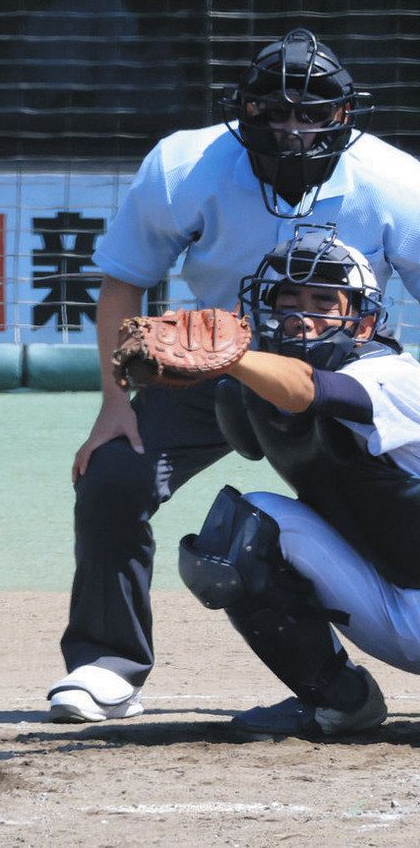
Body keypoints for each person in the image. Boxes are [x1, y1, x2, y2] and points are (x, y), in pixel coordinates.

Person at [48, 28, 420, 723]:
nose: (293, 130)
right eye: (275, 112)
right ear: (243, 112)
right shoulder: (184, 167)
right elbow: (126, 280)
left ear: (345, 116)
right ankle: (108, 662)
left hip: (339, 383)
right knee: (116, 477)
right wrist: (113, 404)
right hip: (213, 371)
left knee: (349, 511)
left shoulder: (396, 184)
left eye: (313, 114)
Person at [179, 225, 420, 735]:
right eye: (288, 298)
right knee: (239, 533)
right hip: (399, 606)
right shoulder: (252, 390)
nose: (299, 315)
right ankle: (341, 701)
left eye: (321, 302)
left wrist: (231, 357)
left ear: (363, 323)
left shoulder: (394, 376)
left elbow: (311, 391)